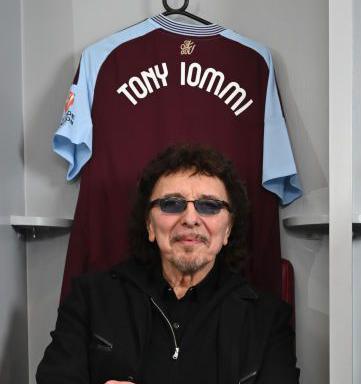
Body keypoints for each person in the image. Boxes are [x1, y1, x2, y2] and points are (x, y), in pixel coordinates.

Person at [37, 144, 299, 384]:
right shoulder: (89, 299)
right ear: (149, 225)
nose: (190, 218)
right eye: (171, 204)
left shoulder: (268, 320)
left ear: (228, 229)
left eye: (209, 205)